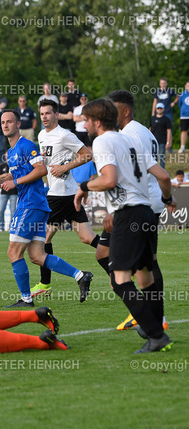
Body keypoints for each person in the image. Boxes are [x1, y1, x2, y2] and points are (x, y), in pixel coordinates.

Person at [74, 99, 174, 353]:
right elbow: (162, 175)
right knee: (147, 276)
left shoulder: (103, 141)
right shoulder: (131, 139)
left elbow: (109, 179)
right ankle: (157, 331)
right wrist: (167, 199)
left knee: (120, 281)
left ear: (97, 121)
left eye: (86, 120)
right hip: (146, 213)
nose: (84, 125)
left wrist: (84, 187)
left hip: (128, 215)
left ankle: (155, 334)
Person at [0, 110, 92, 308]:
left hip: (31, 204)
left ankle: (26, 299)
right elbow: (14, 176)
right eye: (3, 122)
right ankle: (80, 275)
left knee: (13, 253)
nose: (6, 125)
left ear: (18, 124)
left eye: (10, 122)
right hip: (36, 205)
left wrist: (15, 182)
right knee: (37, 256)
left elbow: (41, 170)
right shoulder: (11, 151)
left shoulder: (26, 145)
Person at [106, 90, 173, 332]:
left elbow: (136, 172)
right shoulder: (142, 130)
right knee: (141, 262)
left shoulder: (130, 134)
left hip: (137, 204)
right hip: (149, 201)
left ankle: (152, 316)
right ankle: (150, 314)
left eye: (113, 109)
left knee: (140, 266)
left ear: (124, 111)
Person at [29, 99, 97, 297]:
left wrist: (64, 167)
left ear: (56, 115)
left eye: (48, 113)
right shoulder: (42, 134)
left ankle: (45, 283)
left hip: (59, 195)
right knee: (87, 237)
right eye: (42, 114)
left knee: (42, 241)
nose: (44, 117)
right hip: (66, 194)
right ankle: (121, 260)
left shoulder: (64, 135)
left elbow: (87, 155)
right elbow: (50, 161)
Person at [0, 154, 18, 231]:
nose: (7, 158)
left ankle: (11, 227)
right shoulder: (2, 166)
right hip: (4, 191)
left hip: (14, 191)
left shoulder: (16, 165)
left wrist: (6, 176)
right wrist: (5, 175)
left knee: (13, 211)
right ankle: (1, 227)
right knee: (1, 210)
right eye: (6, 157)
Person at [150, 102, 172, 168]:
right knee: (153, 157)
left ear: (163, 109)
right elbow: (150, 129)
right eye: (158, 108)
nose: (159, 109)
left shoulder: (166, 119)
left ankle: (162, 172)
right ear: (156, 109)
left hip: (162, 141)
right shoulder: (152, 119)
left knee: (162, 157)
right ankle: (155, 173)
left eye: (161, 108)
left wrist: (168, 142)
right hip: (153, 141)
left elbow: (169, 131)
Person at [179, 81, 189, 154]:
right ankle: (182, 147)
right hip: (184, 116)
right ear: (185, 86)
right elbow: (180, 104)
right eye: (188, 86)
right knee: (184, 131)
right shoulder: (182, 94)